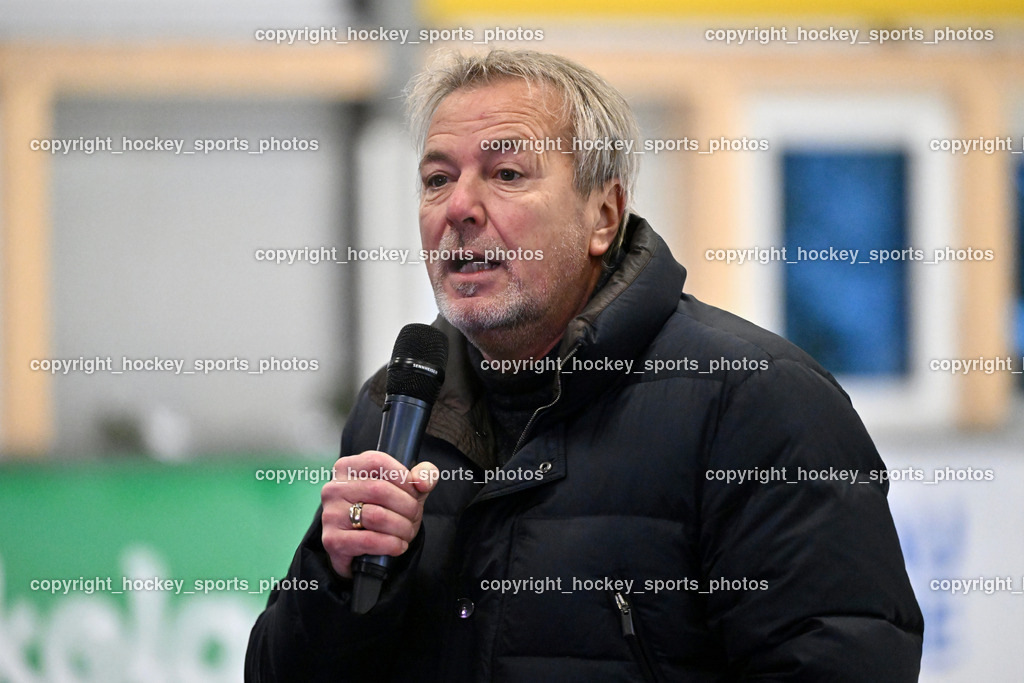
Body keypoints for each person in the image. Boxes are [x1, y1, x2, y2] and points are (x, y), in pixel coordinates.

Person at [246, 49, 923, 682]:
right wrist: (336, 578)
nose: (459, 207)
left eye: (507, 174)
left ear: (603, 215)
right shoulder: (395, 409)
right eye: (437, 179)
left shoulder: (759, 401)